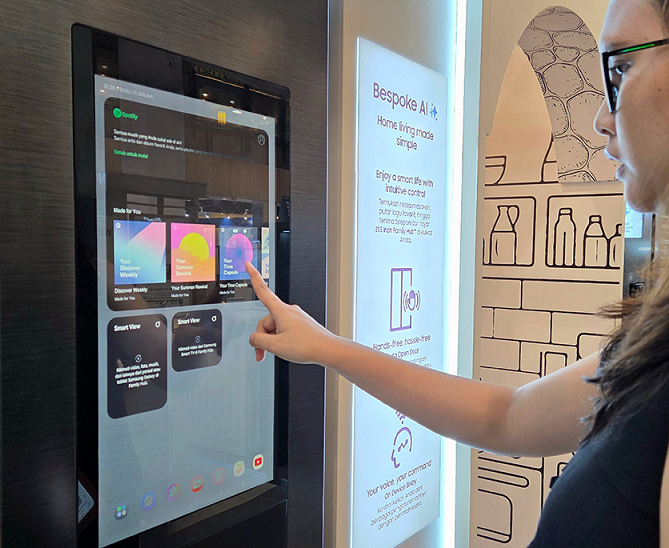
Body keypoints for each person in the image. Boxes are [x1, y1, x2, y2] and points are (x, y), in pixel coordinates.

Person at [244, 0, 669, 545]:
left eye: (622, 67)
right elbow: (505, 417)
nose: (601, 118)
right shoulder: (653, 342)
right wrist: (329, 348)